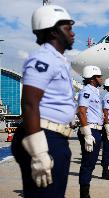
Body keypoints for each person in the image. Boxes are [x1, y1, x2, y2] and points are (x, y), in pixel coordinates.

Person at [11, 5, 76, 197]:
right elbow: (30, 103)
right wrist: (39, 152)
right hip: (44, 136)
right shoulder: (44, 58)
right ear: (54, 31)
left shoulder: (58, 60)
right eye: (67, 28)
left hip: (54, 137)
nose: (72, 33)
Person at [77, 65, 105, 198]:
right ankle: (84, 195)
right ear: (93, 78)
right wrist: (87, 134)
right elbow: (81, 112)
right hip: (90, 130)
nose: (101, 78)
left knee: (91, 163)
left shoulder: (95, 91)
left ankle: (85, 192)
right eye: (99, 76)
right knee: (88, 164)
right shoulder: (86, 91)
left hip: (96, 130)